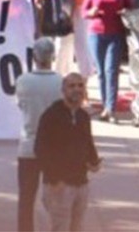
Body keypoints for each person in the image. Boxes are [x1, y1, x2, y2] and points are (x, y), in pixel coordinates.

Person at [34, 73, 101, 232]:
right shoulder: (51, 115)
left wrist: (94, 161)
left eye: (80, 85)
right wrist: (55, 179)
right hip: (59, 185)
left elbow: (88, 142)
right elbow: (40, 149)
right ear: (63, 90)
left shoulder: (83, 116)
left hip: (81, 183)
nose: (77, 89)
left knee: (76, 228)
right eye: (72, 86)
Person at [15, 38, 64, 232]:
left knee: (26, 198)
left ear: (34, 56)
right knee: (56, 198)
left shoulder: (23, 81)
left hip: (29, 145)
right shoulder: (61, 82)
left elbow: (21, 105)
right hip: (54, 148)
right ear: (53, 56)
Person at [80, 0, 132, 121]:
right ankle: (105, 106)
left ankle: (110, 107)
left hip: (115, 33)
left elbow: (131, 7)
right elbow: (84, 11)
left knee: (112, 70)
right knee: (101, 72)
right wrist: (92, 12)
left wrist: (124, 11)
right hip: (96, 33)